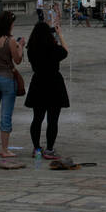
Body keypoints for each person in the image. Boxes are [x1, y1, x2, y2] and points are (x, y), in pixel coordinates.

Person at [25, 13, 70, 160]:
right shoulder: (53, 48)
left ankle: (36, 148)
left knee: (37, 118)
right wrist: (60, 34)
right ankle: (50, 149)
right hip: (54, 84)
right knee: (52, 119)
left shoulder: (31, 49)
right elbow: (65, 51)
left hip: (38, 83)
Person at [0, 10, 25, 158]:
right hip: (7, 79)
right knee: (6, 115)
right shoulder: (10, 40)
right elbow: (18, 60)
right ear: (10, 24)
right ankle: (5, 149)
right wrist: (20, 47)